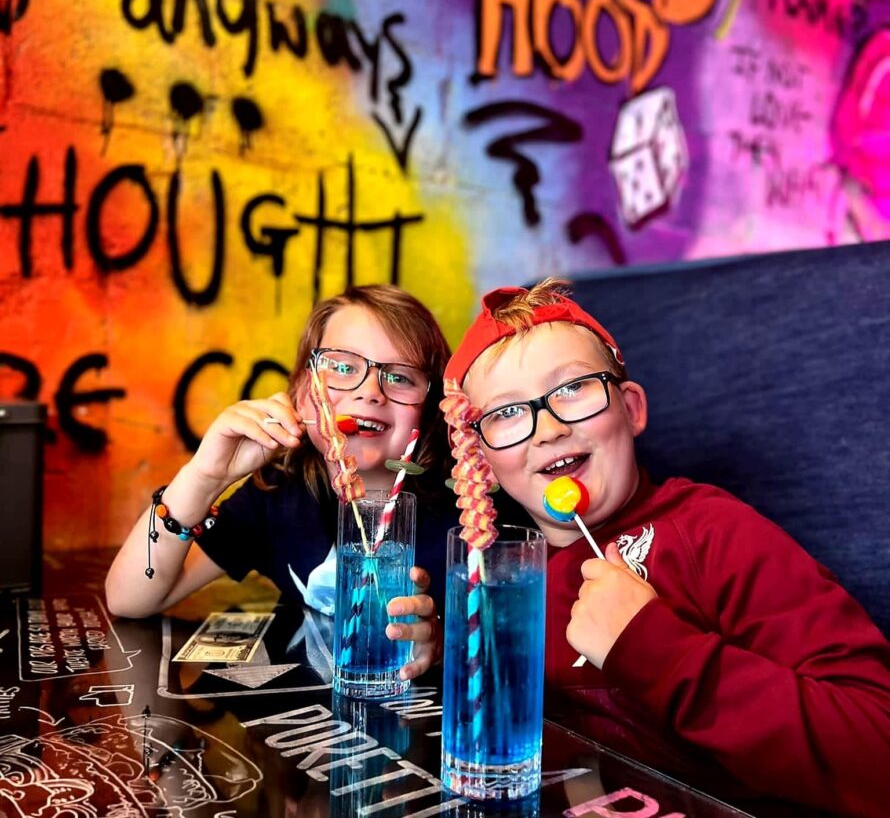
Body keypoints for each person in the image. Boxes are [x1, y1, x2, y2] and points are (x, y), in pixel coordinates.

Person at [441, 279, 890, 818]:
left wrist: (653, 648)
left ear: (631, 409)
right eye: (507, 413)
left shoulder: (713, 532)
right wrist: (436, 658)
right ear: (483, 464)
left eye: (573, 388)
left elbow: (877, 747)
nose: (549, 429)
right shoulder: (497, 582)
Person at [106, 284, 455, 680]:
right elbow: (128, 598)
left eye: (400, 377)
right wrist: (204, 476)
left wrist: (442, 644)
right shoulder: (278, 494)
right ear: (303, 396)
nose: (371, 392)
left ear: (430, 409)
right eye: (342, 368)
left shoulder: (466, 511)